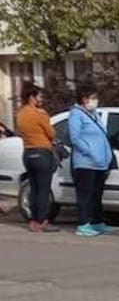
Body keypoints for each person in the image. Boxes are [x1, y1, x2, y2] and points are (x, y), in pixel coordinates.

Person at [68, 82, 115, 237]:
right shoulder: (76, 114)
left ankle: (97, 222)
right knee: (85, 195)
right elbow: (75, 138)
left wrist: (106, 157)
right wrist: (89, 151)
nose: (96, 101)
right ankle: (83, 224)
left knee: (97, 194)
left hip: (100, 163)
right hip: (85, 162)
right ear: (84, 99)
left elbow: (103, 136)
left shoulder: (95, 115)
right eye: (93, 98)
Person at [16, 82, 59, 233]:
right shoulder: (40, 114)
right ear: (32, 97)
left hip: (28, 153)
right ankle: (43, 221)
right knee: (43, 189)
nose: (41, 99)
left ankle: (33, 221)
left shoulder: (20, 113)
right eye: (39, 96)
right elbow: (52, 133)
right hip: (42, 153)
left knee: (34, 188)